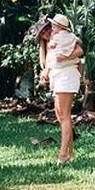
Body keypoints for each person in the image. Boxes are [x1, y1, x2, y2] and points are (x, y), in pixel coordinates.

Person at [37, 13, 83, 165]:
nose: (46, 34)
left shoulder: (64, 38)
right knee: (60, 115)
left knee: (64, 115)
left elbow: (79, 51)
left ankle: (63, 154)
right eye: (42, 34)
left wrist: (66, 57)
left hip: (67, 77)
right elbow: (51, 64)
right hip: (59, 78)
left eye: (47, 29)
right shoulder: (51, 46)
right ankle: (69, 153)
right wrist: (46, 73)